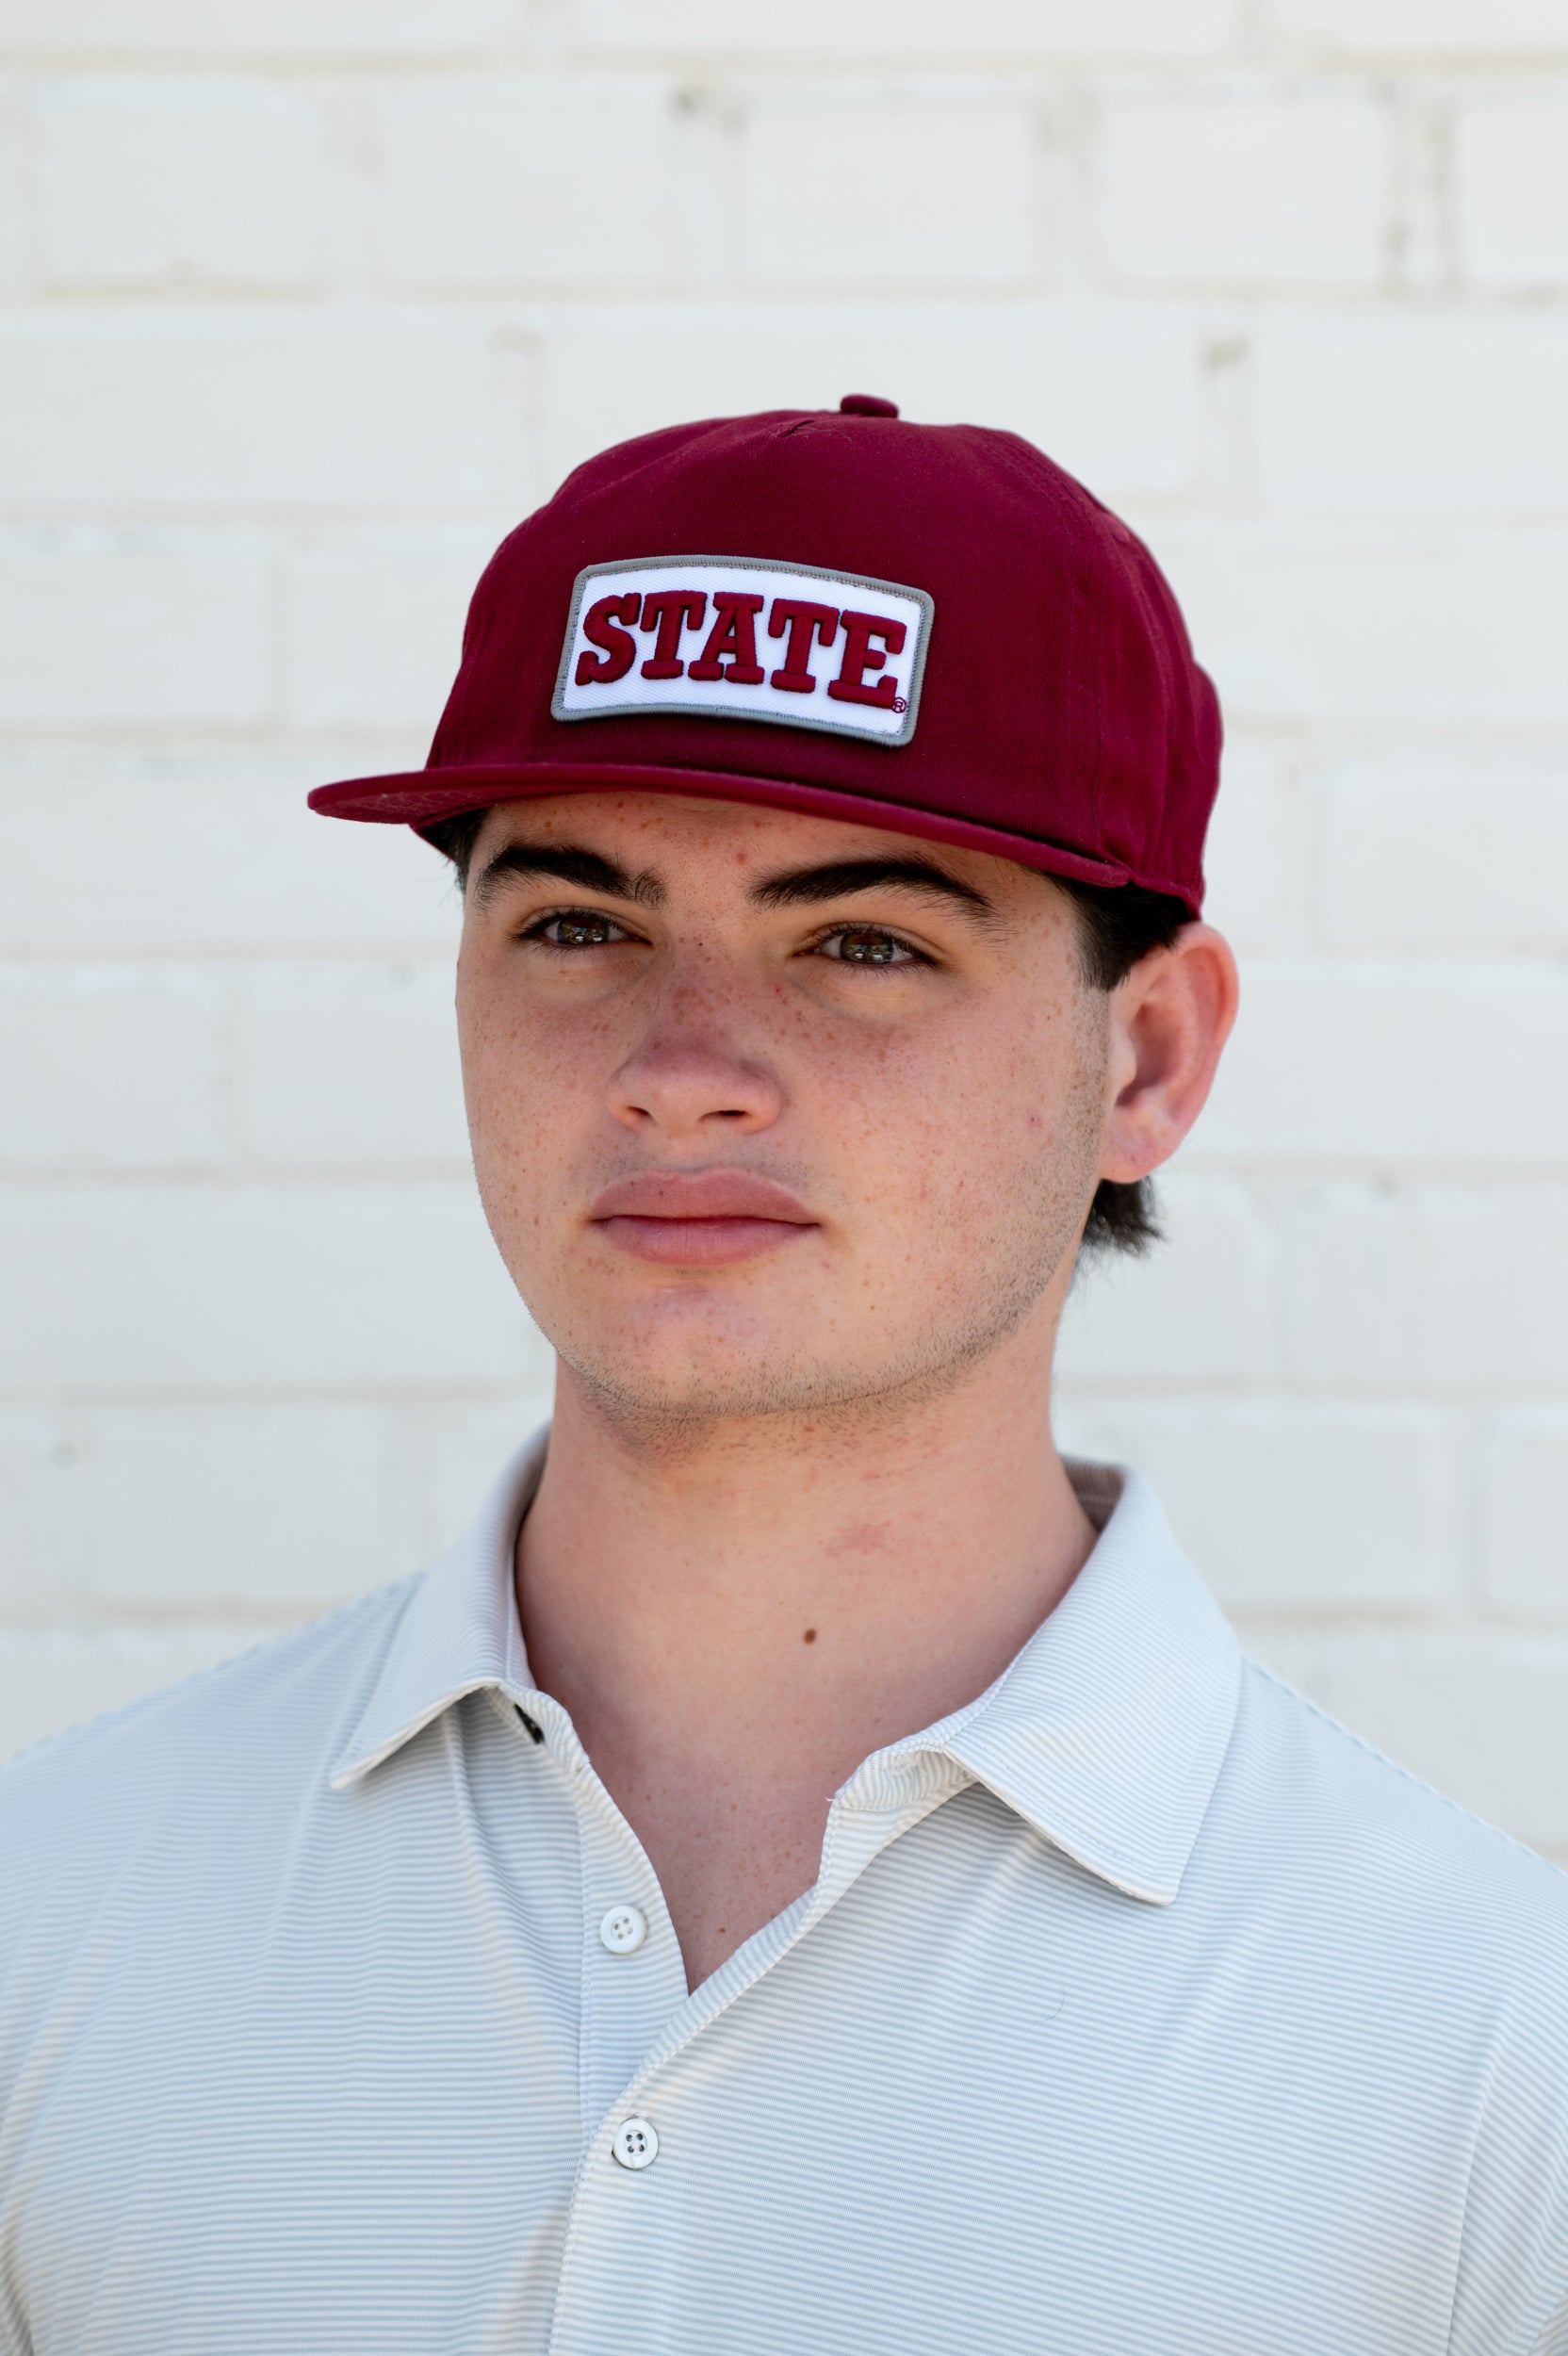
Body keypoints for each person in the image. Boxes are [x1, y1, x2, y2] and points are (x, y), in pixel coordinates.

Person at [2, 395, 1564, 2356]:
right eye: (579, 919)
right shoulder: (59, 1905)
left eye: (867, 942)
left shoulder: (1481, 2045)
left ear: (1144, 1057)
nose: (683, 1057)